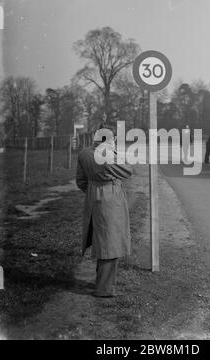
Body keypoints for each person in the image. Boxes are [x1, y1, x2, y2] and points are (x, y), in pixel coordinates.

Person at [76, 126, 132, 298]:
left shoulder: (84, 153)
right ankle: (104, 289)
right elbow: (127, 170)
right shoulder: (106, 155)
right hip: (110, 199)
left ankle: (102, 284)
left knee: (102, 241)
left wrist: (94, 190)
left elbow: (80, 181)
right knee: (110, 244)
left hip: (93, 196)